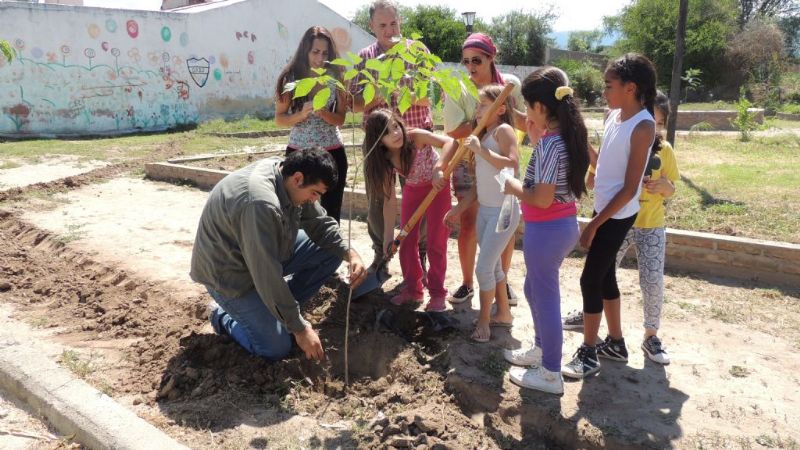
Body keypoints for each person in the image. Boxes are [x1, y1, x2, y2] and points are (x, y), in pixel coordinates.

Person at [191, 148, 367, 361]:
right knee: (275, 347)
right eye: (315, 193)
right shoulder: (259, 203)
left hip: (262, 254)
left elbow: (320, 224)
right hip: (229, 274)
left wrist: (351, 254)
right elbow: (266, 275)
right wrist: (300, 330)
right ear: (298, 178)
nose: (314, 200)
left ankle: (282, 311)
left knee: (329, 249)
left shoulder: (286, 175)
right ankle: (221, 316)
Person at [562, 92, 678, 365]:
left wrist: (665, 187)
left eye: (660, 123)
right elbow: (599, 171)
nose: (655, 128)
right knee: (604, 277)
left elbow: (661, 186)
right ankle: (614, 341)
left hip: (642, 222)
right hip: (617, 218)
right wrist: (581, 142)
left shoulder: (655, 143)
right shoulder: (619, 124)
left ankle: (645, 336)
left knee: (645, 281)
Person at [500, 68, 590, 394]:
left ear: (539, 106)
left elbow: (541, 197)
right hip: (556, 227)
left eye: (528, 105)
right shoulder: (562, 135)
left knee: (547, 298)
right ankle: (540, 349)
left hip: (547, 228)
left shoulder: (552, 144)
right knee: (532, 290)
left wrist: (513, 186)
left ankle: (551, 372)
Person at [441, 32, 526, 307]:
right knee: (469, 223)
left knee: (503, 225)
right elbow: (453, 130)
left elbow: (520, 122)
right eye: (465, 61)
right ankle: (468, 283)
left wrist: (501, 115)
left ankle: (502, 282)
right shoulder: (459, 88)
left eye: (476, 60)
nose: (471, 67)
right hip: (469, 160)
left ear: (491, 58)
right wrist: (486, 120)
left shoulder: (510, 86)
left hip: (501, 163)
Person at [350, 0, 432, 276]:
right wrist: (376, 94)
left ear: (401, 22)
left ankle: (420, 253)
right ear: (372, 26)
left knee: (419, 198)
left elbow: (430, 96)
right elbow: (354, 104)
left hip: (414, 140)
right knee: (378, 198)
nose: (389, 30)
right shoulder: (364, 58)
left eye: (393, 23)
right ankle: (380, 255)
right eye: (382, 25)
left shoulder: (418, 52)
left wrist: (398, 89)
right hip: (378, 143)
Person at [444, 85, 519, 342]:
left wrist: (479, 150)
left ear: (500, 108)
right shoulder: (485, 135)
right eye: (477, 105)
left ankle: (485, 322)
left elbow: (512, 165)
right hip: (486, 210)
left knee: (483, 268)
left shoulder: (503, 130)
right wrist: (458, 208)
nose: (478, 110)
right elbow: (479, 186)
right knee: (495, 266)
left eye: (483, 105)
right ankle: (504, 314)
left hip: (504, 211)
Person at [362, 109, 456, 311]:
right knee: (405, 241)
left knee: (435, 243)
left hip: (437, 188)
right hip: (413, 190)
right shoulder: (385, 161)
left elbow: (450, 142)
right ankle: (413, 289)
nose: (395, 134)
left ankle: (438, 293)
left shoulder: (416, 137)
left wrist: (440, 168)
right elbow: (388, 202)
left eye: (396, 126)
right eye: (387, 132)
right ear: (379, 141)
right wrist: (388, 237)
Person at [275, 26, 347, 223]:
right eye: (315, 52)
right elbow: (280, 118)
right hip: (299, 156)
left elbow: (341, 118)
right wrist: (300, 114)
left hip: (332, 154)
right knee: (297, 215)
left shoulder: (337, 77)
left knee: (331, 215)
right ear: (305, 50)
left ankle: (330, 255)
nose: (320, 58)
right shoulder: (290, 79)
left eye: (325, 53)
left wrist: (324, 113)